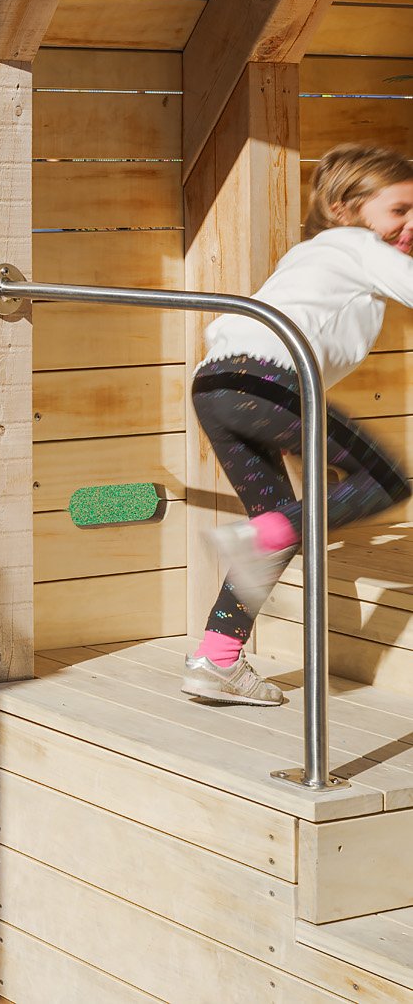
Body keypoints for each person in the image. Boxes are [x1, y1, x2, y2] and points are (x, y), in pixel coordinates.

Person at [183, 143, 413, 706]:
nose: (410, 223)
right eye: (400, 209)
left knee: (279, 521)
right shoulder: (358, 245)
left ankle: (216, 660)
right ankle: (258, 536)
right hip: (266, 380)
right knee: (386, 480)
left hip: (218, 384)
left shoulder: (312, 256)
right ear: (342, 207)